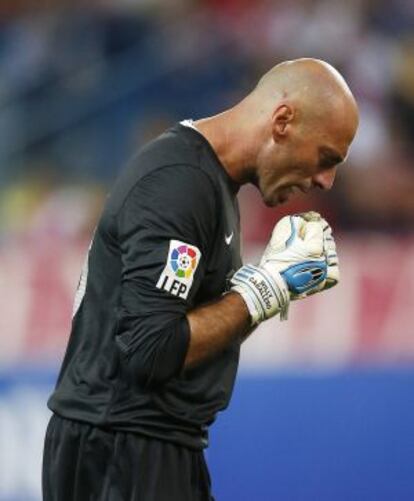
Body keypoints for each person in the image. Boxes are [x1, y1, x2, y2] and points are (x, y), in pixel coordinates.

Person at [42, 58, 359, 500]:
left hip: (151, 443)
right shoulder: (180, 183)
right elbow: (149, 350)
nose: (327, 181)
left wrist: (270, 289)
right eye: (326, 158)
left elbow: (181, 337)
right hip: (118, 448)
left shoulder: (211, 182)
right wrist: (269, 287)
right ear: (283, 121)